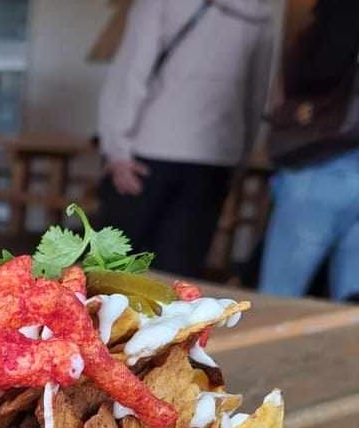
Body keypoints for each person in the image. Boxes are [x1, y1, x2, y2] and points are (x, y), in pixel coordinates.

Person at [96, 0, 276, 278]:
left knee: (112, 269)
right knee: (178, 275)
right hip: (216, 156)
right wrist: (241, 156)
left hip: (149, 151)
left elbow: (131, 75)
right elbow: (256, 94)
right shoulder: (260, 12)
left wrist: (116, 147)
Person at [259, 0, 359, 299]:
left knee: (279, 296)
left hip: (321, 166)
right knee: (350, 312)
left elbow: (315, 72)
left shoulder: (340, 15)